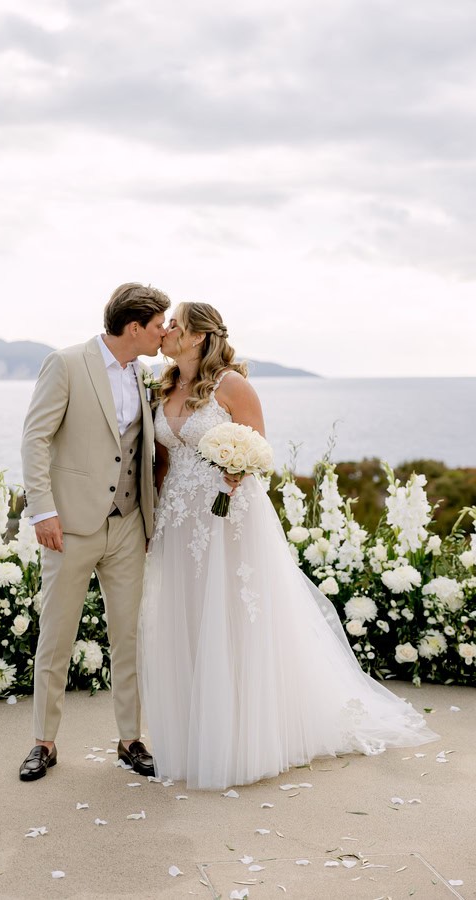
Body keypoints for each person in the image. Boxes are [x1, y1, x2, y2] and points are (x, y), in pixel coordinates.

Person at [138, 302, 439, 790]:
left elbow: (258, 451)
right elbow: (161, 463)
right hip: (177, 519)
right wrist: (153, 519)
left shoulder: (230, 385)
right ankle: (195, 733)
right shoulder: (162, 385)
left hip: (227, 517)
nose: (166, 330)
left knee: (233, 619)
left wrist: (236, 470)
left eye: (174, 324)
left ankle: (241, 737)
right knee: (188, 618)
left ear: (196, 337)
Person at [19, 282, 170, 781]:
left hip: (129, 525)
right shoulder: (65, 364)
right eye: (158, 324)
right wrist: (43, 511)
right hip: (71, 526)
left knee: (128, 636)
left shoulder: (146, 373)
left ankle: (130, 740)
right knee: (56, 635)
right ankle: (44, 742)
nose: (163, 332)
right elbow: (36, 438)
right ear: (134, 327)